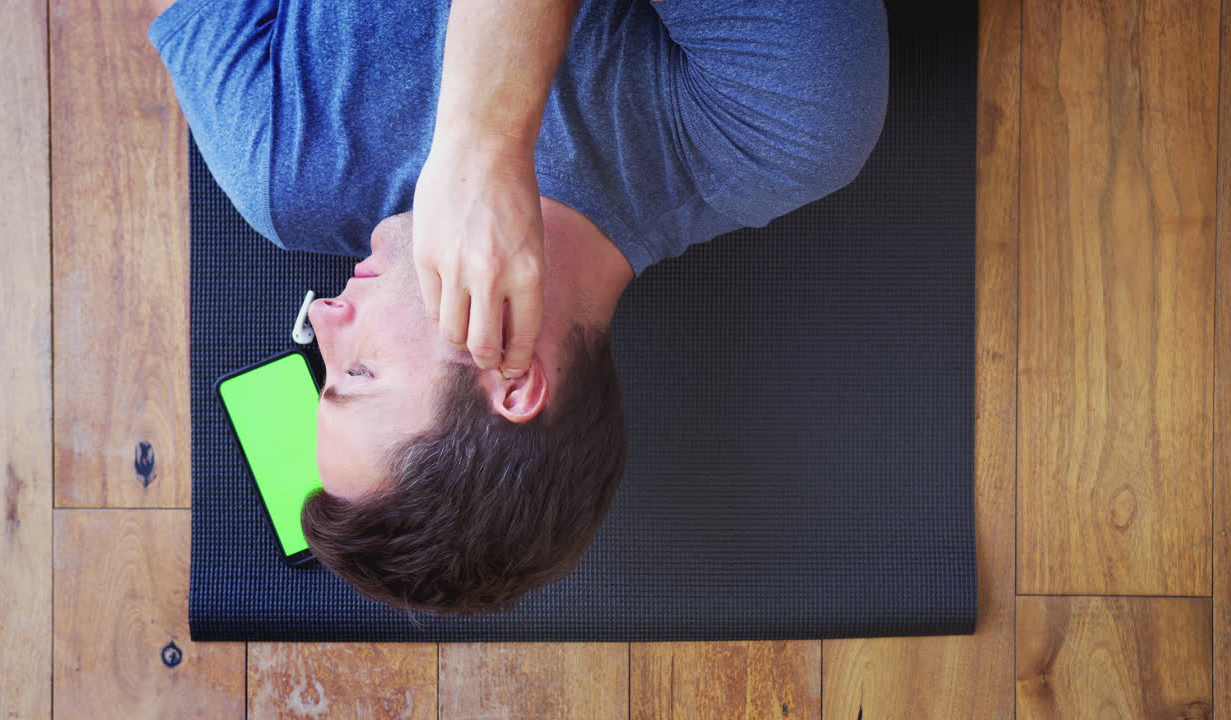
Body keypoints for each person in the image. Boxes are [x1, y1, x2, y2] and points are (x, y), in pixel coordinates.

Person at [148, 0, 888, 618]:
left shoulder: (281, 175)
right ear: (511, 376)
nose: (326, 318)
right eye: (360, 374)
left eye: (323, 368)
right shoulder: (783, 123)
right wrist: (486, 136)